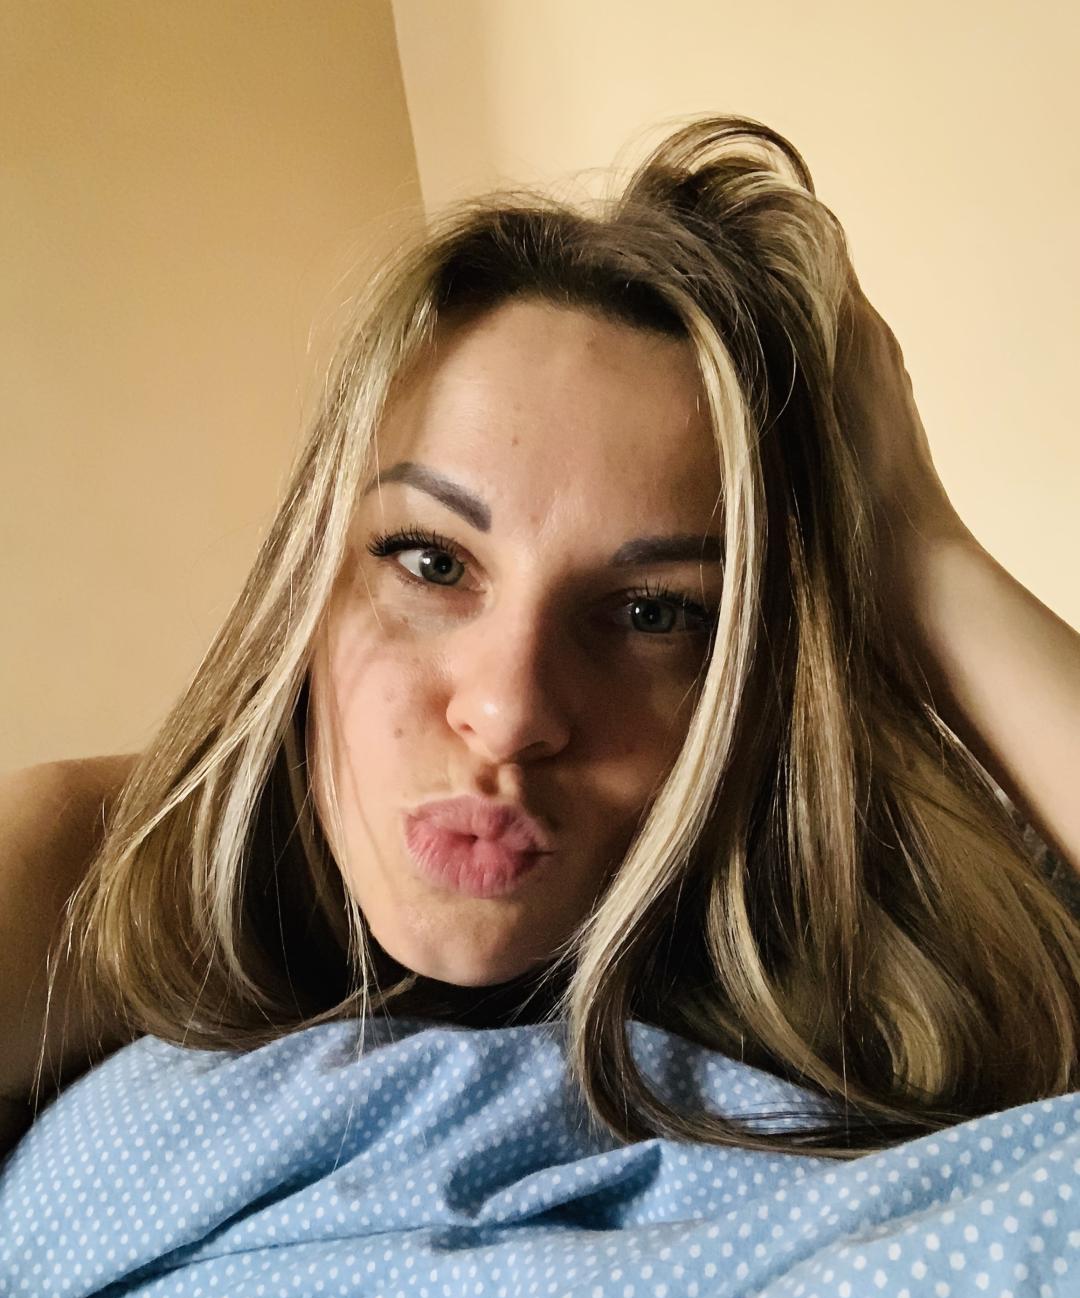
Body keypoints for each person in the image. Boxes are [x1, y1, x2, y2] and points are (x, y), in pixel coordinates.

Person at [3, 114, 1078, 1164]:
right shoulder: (85, 873)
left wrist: (921, 552)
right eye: (432, 562)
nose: (510, 712)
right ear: (308, 583)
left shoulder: (881, 946)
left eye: (654, 613)